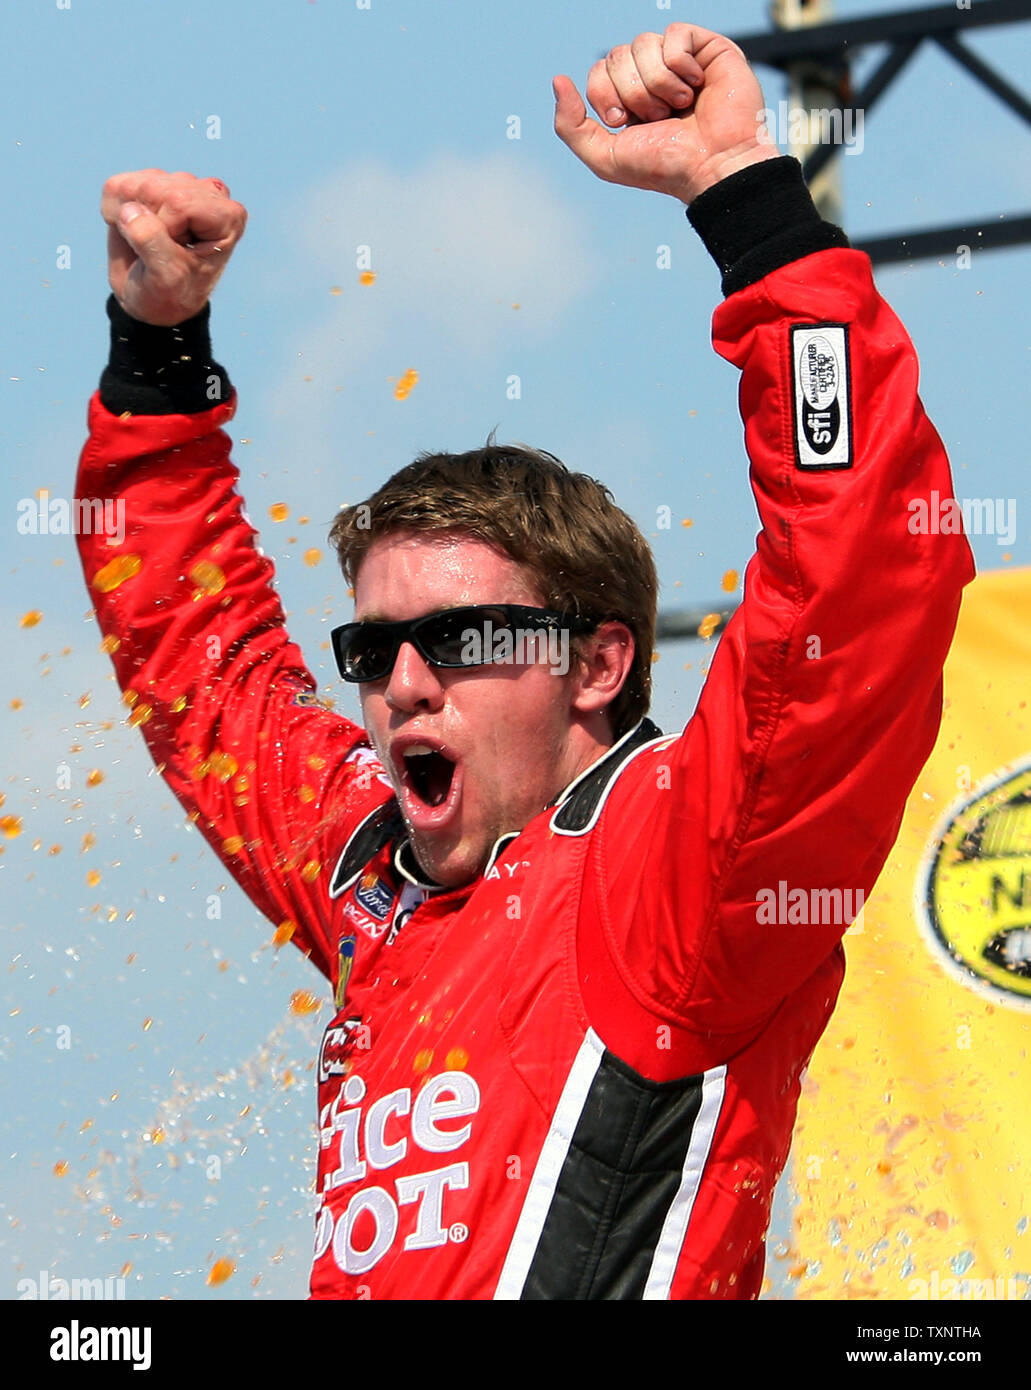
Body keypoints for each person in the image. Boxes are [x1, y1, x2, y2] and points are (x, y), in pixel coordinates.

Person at [76, 23, 973, 1299]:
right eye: (373, 648)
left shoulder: (674, 868)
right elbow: (200, 667)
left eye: (453, 641)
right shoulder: (369, 876)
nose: (400, 685)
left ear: (600, 664)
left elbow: (858, 580)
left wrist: (750, 208)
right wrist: (156, 353)